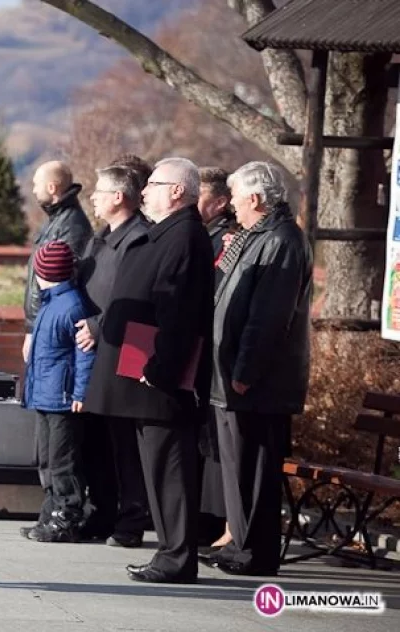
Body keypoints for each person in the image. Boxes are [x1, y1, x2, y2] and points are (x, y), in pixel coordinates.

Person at [85, 157, 214, 584]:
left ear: (177, 191)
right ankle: (169, 554)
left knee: (170, 469)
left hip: (161, 380)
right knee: (157, 469)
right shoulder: (169, 233)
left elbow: (179, 311)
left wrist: (160, 367)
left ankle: (176, 557)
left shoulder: (185, 236)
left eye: (154, 184)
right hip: (146, 377)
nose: (144, 191)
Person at [205, 161, 312, 577]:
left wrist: (246, 370)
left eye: (235, 197)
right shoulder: (256, 235)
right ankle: (240, 545)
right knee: (238, 467)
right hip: (232, 375)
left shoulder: (282, 240)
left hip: (258, 382)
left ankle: (256, 552)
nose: (231, 204)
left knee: (254, 469)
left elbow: (269, 316)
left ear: (254, 198)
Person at [75, 165, 151, 548]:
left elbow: (136, 296)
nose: (92, 197)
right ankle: (102, 513)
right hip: (91, 352)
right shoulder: (101, 237)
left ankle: (130, 521)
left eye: (99, 191)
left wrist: (98, 325)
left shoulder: (139, 239)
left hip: (121, 351)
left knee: (125, 444)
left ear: (119, 197)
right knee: (96, 440)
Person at [19, 160, 92, 540]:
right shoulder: (51, 305)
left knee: (62, 459)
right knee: (47, 455)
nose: (32, 189)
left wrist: (78, 392)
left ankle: (66, 516)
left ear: (52, 187)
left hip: (60, 394)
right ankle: (51, 513)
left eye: (36, 183)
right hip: (47, 391)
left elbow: (82, 352)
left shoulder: (67, 304)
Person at [197, 167, 236, 549]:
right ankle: (207, 520)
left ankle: (220, 523)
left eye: (201, 195)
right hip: (205, 351)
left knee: (217, 446)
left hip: (218, 352)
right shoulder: (203, 234)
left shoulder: (226, 239)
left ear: (221, 202)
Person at [198, 167, 237, 260]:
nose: (189, 202)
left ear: (220, 202)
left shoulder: (230, 238)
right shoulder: (194, 229)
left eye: (196, 196)